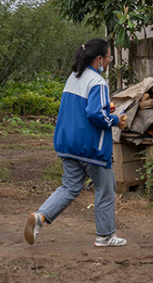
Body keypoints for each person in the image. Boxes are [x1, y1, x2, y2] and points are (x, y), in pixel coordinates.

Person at [25, 38, 128, 247]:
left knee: (70, 187)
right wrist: (116, 120)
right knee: (106, 189)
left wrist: (103, 111)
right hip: (91, 147)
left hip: (68, 144)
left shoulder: (73, 78)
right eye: (108, 58)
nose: (108, 62)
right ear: (99, 59)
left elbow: (83, 110)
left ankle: (40, 217)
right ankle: (105, 236)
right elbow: (94, 114)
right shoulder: (98, 81)